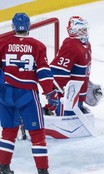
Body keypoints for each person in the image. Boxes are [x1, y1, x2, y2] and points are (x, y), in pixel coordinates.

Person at [0, 13, 59, 174]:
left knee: (8, 131)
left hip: (5, 94)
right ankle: (42, 171)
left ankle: (3, 167)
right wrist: (50, 93)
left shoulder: (2, 43)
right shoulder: (38, 46)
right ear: (29, 27)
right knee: (37, 133)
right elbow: (43, 71)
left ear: (12, 27)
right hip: (27, 94)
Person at [49, 16, 104, 116]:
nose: (85, 32)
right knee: (67, 123)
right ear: (74, 31)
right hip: (68, 99)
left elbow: (80, 70)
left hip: (78, 95)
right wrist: (66, 94)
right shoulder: (71, 46)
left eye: (85, 29)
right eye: (82, 30)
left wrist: (88, 84)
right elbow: (57, 71)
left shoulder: (86, 45)